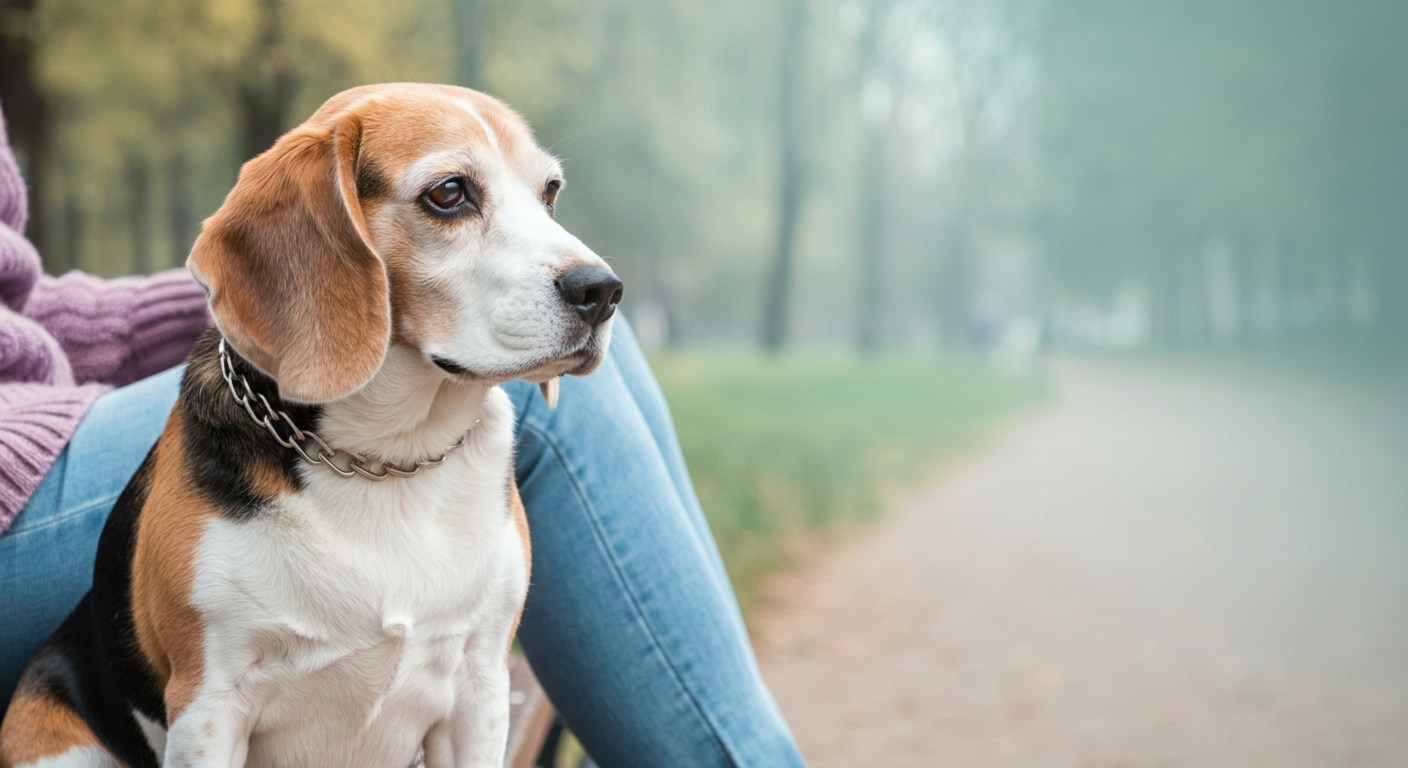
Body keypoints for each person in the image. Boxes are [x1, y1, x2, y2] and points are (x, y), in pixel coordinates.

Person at [0, 108, 805, 768]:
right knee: (514, 386)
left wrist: (309, 281)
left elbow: (18, 296)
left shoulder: (328, 252)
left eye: (544, 196)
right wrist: (307, 278)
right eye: (451, 196)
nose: (583, 266)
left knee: (558, 358)